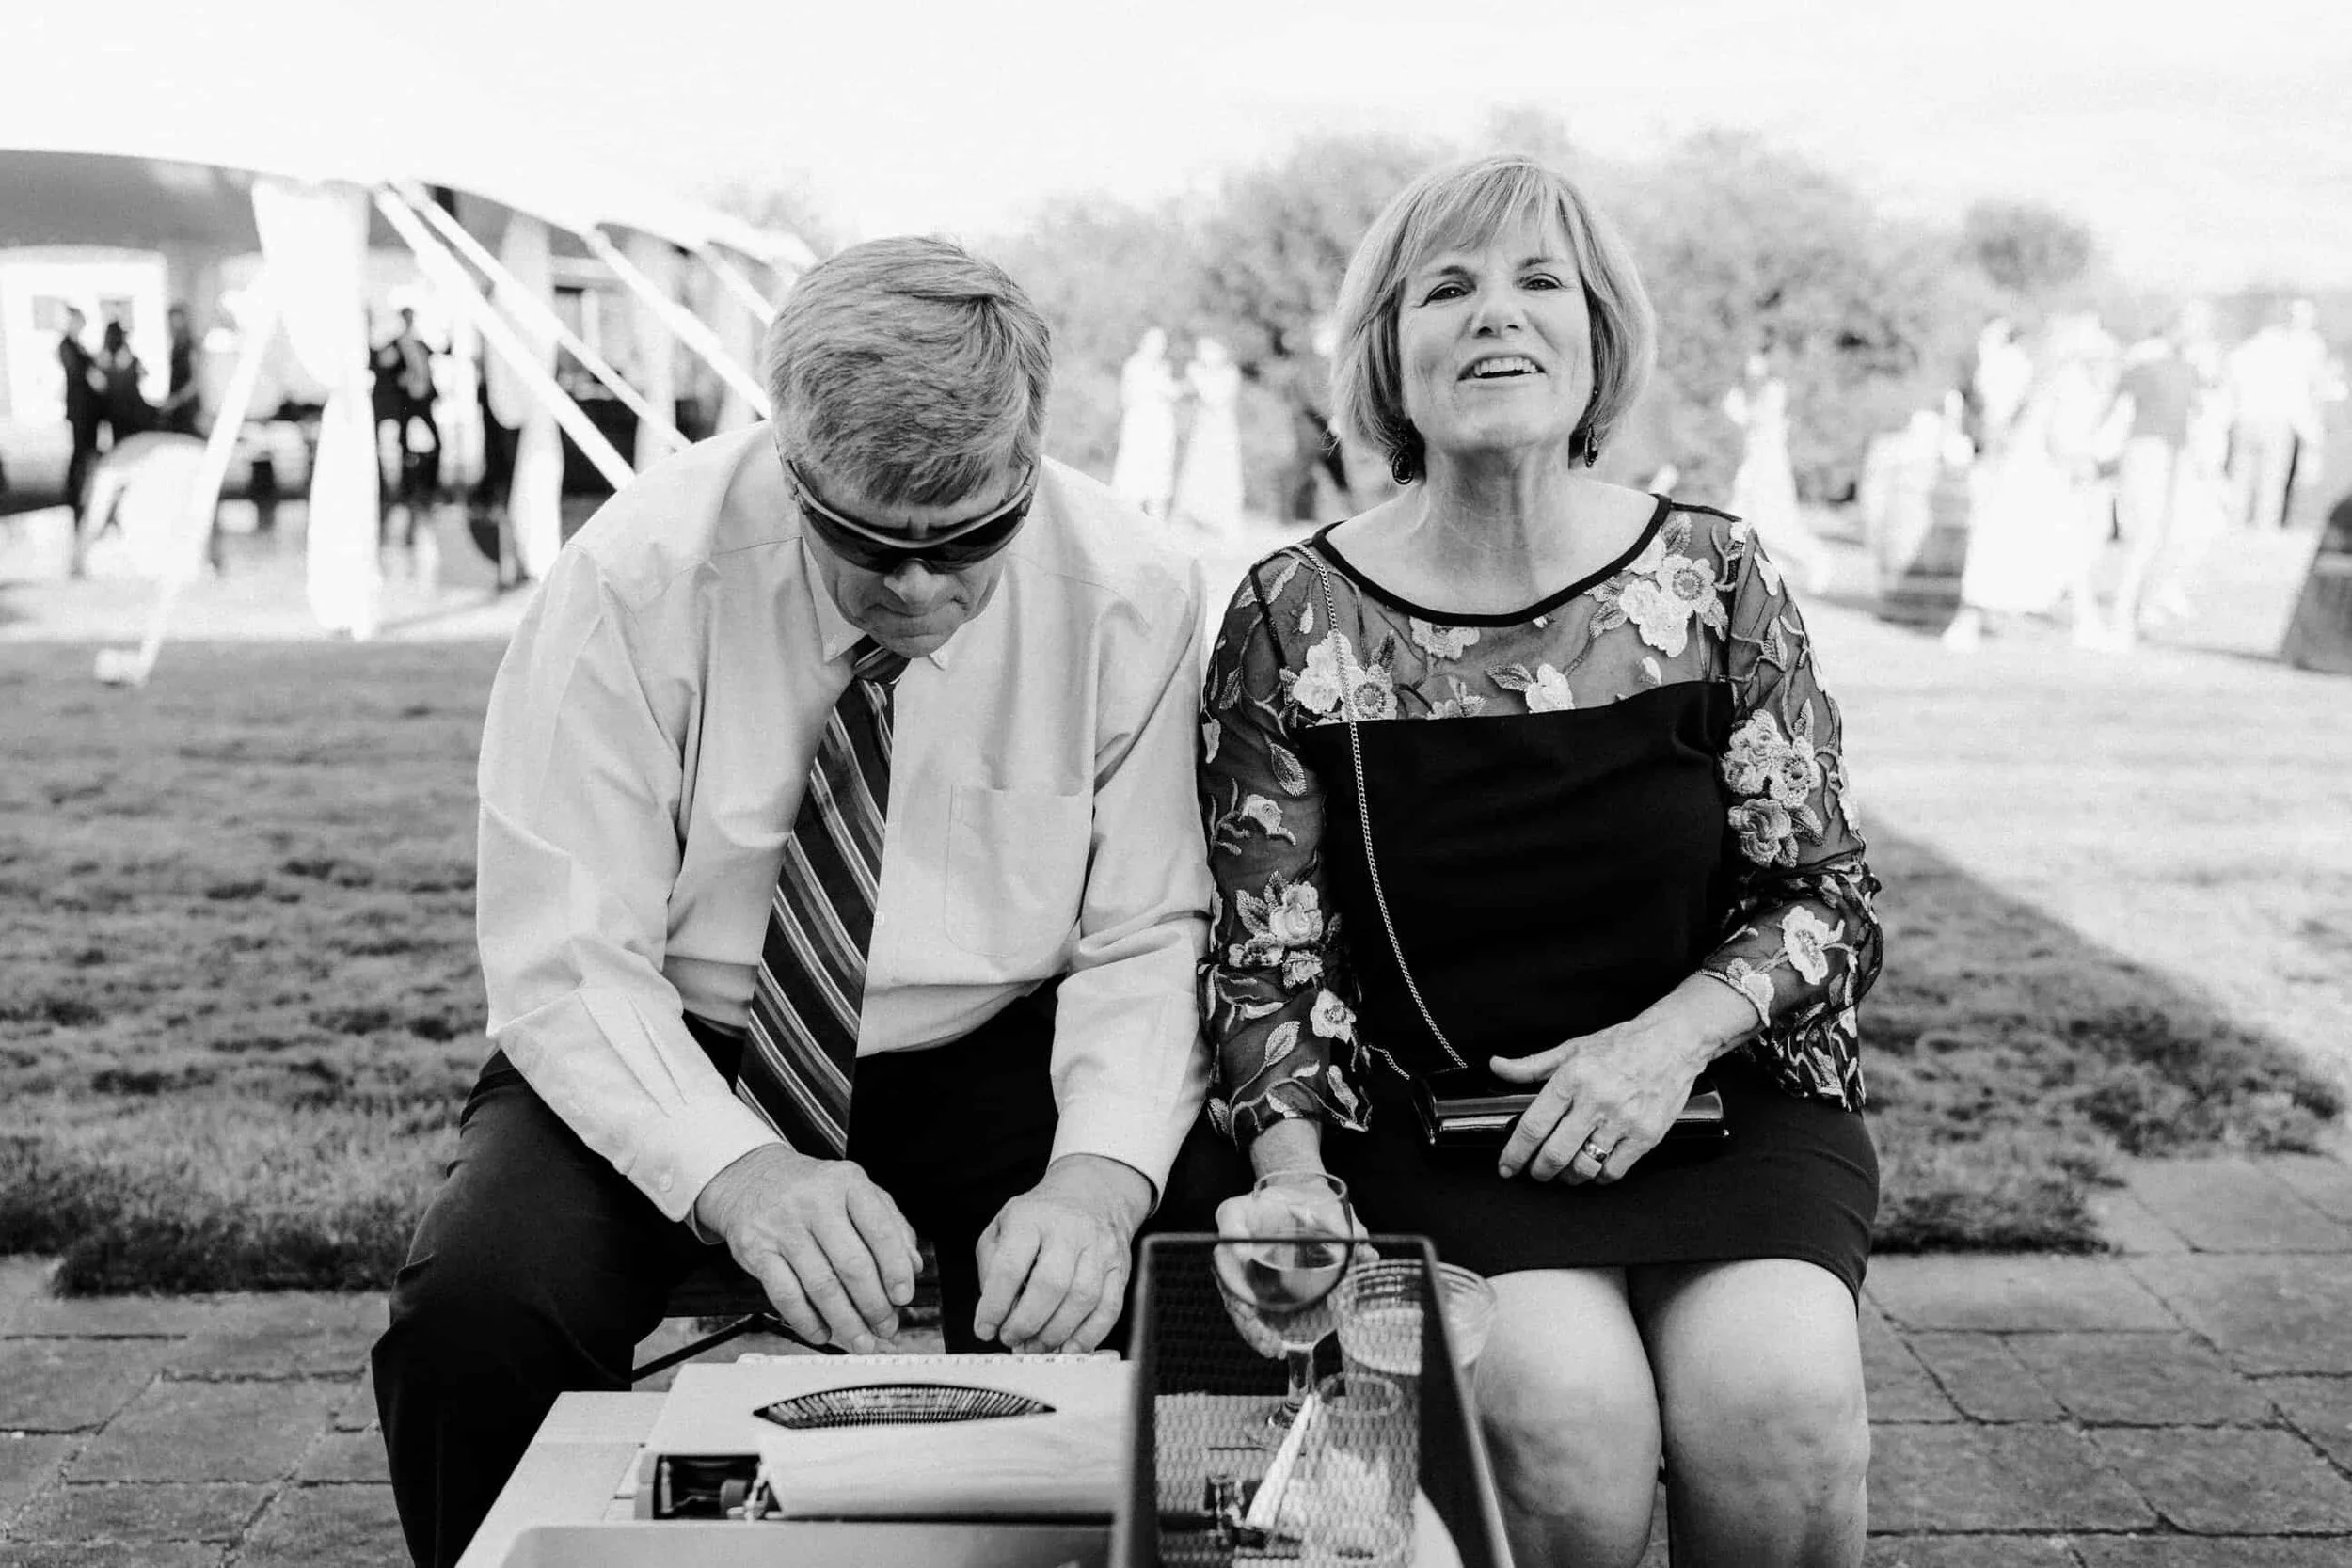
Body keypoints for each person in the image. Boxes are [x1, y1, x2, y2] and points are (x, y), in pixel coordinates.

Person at [373, 237, 1216, 1568]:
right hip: (678, 1034)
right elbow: (568, 951)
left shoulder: (1135, 587)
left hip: (1006, 1045)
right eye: (869, 541)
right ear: (786, 450)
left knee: (1227, 1278)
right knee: (476, 1314)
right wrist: (741, 1171)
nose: (923, 589)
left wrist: (1102, 1179)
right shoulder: (631, 578)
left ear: (1034, 453)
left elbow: (1152, 924)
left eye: (972, 539)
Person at [1200, 154, 1882, 1568]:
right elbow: (1270, 949)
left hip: (1719, 1100)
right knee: (1566, 1427)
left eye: (1537, 282)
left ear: (1597, 335)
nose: (1493, 316)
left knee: (1784, 1408)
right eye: (1444, 288)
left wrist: (1662, 1045)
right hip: (1437, 1125)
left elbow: (1821, 898)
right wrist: (1287, 1162)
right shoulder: (1293, 613)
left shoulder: (1717, 579)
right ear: (1390, 356)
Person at [1941, 315, 2116, 653]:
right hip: (2041, 477)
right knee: (2054, 549)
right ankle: (2084, 624)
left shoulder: (2039, 375)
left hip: (2022, 473)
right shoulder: (2064, 379)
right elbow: (2059, 435)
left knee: (2006, 548)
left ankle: (2083, 622)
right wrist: (2080, 463)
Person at [1723, 351, 1833, 595]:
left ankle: (1816, 560)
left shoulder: (1773, 391)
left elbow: (1759, 423)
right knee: (1738, 521)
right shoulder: (1742, 393)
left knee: (1772, 525)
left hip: (1766, 469)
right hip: (1749, 468)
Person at [1170, 336, 1245, 539]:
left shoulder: (1229, 373)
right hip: (1203, 432)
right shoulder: (1198, 373)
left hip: (1222, 434)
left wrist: (1196, 377)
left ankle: (1223, 521)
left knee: (1222, 475)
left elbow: (1215, 398)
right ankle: (1194, 517)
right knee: (1197, 473)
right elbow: (1179, 391)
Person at [1110, 325, 1180, 517]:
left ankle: (1157, 518)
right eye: (1153, 343)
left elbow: (1172, 393)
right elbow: (1127, 397)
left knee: (1159, 475)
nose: (1157, 348)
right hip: (1139, 426)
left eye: (1161, 344)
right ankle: (1126, 515)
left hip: (1161, 427)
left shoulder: (1165, 367)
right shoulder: (1134, 365)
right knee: (1133, 473)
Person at [56, 307, 102, 531]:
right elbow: (82, 374)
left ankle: (83, 493)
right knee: (80, 452)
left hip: (89, 410)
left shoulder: (79, 347)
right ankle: (74, 494)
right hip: (80, 410)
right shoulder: (68, 347)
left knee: (87, 452)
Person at [159, 304, 201, 437]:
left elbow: (195, 383)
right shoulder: (176, 345)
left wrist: (176, 400)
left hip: (188, 410)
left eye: (176, 320)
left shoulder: (191, 347)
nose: (173, 325)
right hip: (177, 410)